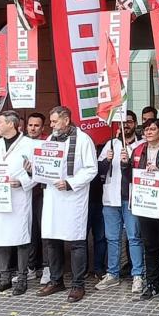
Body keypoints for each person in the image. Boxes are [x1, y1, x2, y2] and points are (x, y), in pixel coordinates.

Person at [36, 106, 98, 302]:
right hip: (53, 196)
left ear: (66, 120)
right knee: (52, 239)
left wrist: (70, 183)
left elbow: (91, 169)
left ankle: (78, 285)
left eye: (54, 121)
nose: (51, 125)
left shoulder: (83, 139)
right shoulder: (49, 140)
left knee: (77, 241)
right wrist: (33, 169)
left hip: (73, 197)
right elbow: (44, 164)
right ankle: (56, 280)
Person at [126, 118, 159, 302]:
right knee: (149, 246)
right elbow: (131, 178)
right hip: (145, 205)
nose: (148, 132)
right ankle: (152, 284)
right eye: (146, 129)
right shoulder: (138, 150)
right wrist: (125, 165)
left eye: (152, 129)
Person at [0, 112, 36, 295]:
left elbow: (36, 171)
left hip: (18, 196)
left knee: (21, 237)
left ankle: (22, 278)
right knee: (2, 237)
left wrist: (23, 181)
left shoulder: (28, 144)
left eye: (0, 122)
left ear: (11, 124)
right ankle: (5, 277)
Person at [96, 112, 144, 293]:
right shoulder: (111, 144)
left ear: (135, 124)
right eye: (122, 123)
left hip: (131, 198)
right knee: (112, 238)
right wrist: (107, 160)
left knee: (134, 237)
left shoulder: (141, 145)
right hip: (111, 199)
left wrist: (128, 162)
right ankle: (112, 274)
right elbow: (98, 172)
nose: (126, 126)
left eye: (129, 122)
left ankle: (138, 275)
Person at [25, 111, 47, 281]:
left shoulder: (47, 143)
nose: (33, 128)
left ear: (42, 127)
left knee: (44, 229)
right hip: (25, 192)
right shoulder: (21, 143)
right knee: (29, 230)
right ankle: (31, 266)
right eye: (30, 125)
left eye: (36, 125)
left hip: (42, 192)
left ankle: (47, 267)